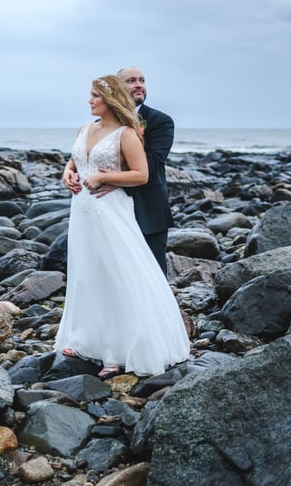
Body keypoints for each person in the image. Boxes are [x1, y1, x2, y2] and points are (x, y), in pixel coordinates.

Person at [56, 75, 190, 378]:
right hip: (83, 211)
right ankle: (85, 340)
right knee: (86, 273)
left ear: (111, 99)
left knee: (117, 274)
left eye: (95, 96)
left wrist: (105, 178)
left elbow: (142, 175)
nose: (89, 101)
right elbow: (76, 161)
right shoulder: (84, 128)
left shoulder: (127, 134)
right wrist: (67, 174)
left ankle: (116, 353)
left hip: (112, 210)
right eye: (89, 95)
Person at [117, 66, 175, 275]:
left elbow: (152, 164)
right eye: (131, 81)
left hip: (148, 208)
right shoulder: (102, 124)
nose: (139, 84)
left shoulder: (161, 121)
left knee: (153, 273)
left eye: (142, 80)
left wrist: (106, 177)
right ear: (117, 87)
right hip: (112, 207)